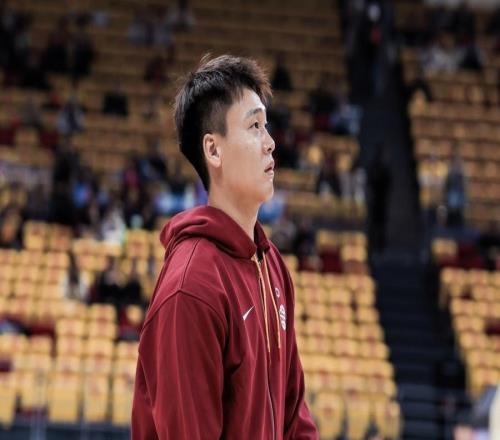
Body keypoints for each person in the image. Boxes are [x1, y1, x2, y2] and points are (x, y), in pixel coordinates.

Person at [132, 55, 318, 439]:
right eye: (254, 126)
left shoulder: (272, 264)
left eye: (267, 126)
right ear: (213, 151)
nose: (271, 143)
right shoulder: (191, 287)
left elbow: (294, 414)